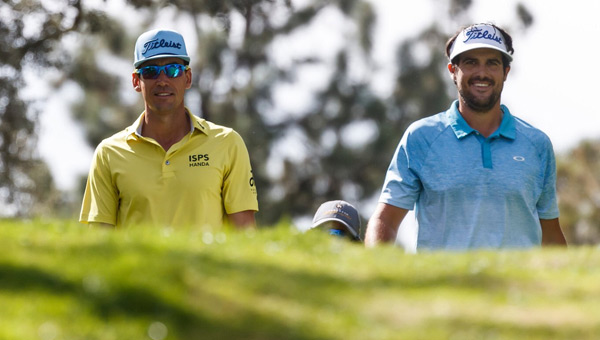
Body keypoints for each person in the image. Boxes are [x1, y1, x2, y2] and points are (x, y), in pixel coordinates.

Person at [365, 23, 567, 250]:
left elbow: (550, 234)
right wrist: (379, 274)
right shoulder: (420, 137)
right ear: (453, 70)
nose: (482, 72)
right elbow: (386, 219)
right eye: (471, 62)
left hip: (519, 285)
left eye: (492, 63)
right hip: (444, 285)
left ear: (505, 72)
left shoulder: (537, 144)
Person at [80, 29, 258, 229]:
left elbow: (245, 234)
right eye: (150, 71)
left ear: (188, 78)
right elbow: (101, 244)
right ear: (136, 81)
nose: (162, 80)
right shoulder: (108, 153)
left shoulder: (227, 143)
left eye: (173, 70)